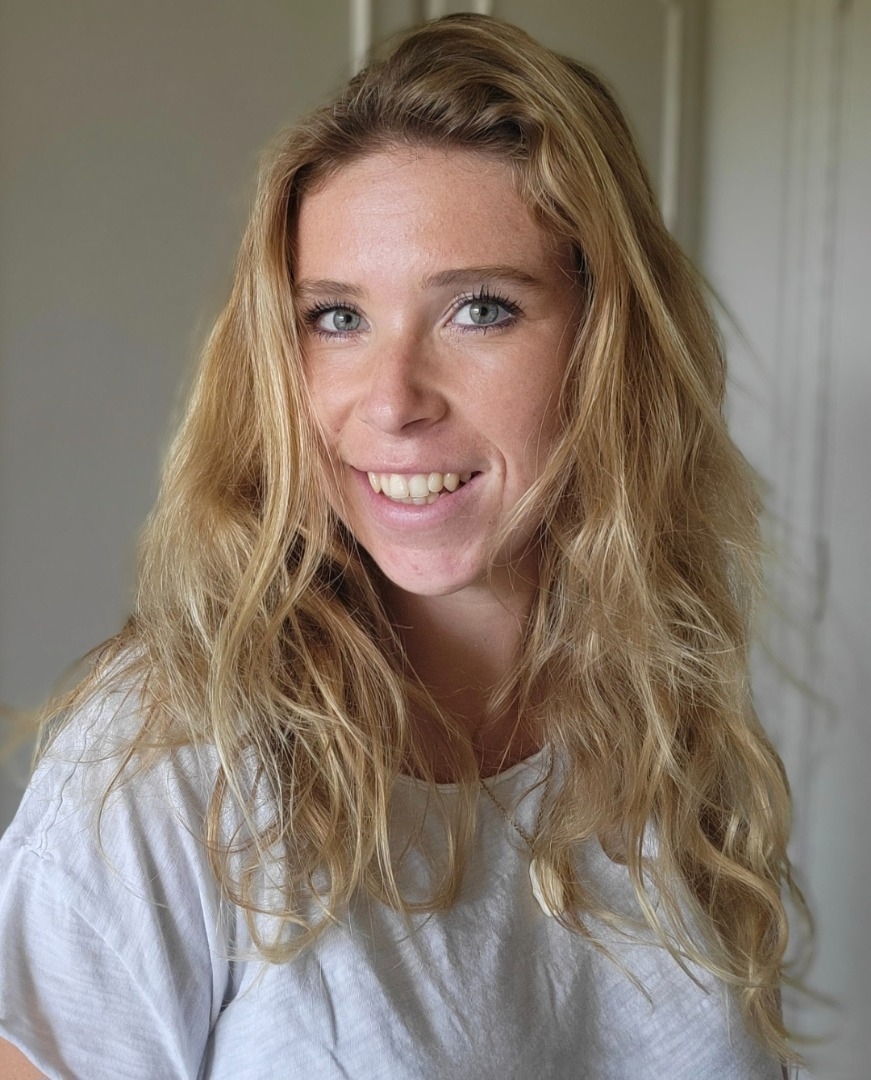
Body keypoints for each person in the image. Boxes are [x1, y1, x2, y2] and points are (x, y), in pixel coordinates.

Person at [0, 13, 806, 1079]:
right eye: (337, 318)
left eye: (480, 310)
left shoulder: (660, 709)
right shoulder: (170, 754)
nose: (391, 402)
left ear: (607, 342)